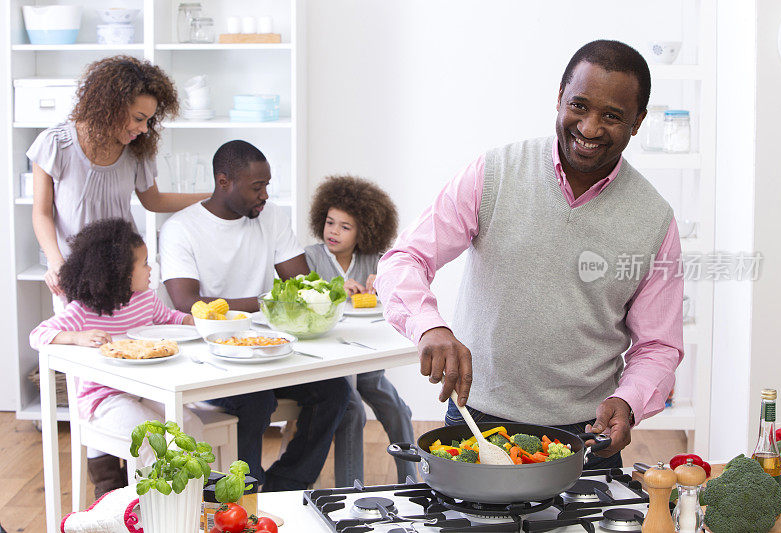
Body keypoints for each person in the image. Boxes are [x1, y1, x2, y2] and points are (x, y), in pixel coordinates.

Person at [375, 40, 684, 468]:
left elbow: (659, 345)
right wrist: (429, 327)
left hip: (589, 436)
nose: (590, 128)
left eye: (612, 116)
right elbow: (405, 258)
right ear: (559, 98)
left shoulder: (655, 219)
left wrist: (628, 402)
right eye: (579, 105)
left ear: (638, 122)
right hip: (475, 422)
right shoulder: (494, 173)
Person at [159, 140, 350, 491]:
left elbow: (301, 283)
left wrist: (331, 294)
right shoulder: (181, 229)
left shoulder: (271, 216)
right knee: (256, 399)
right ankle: (246, 496)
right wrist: (266, 301)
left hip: (266, 349)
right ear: (224, 182)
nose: (265, 195)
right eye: (256, 187)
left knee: (335, 390)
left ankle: (286, 485)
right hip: (210, 358)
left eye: (267, 185)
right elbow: (186, 302)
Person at [29, 218, 202, 498]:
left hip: (143, 389)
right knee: (152, 439)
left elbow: (168, 318)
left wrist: (191, 320)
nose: (150, 269)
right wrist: (76, 337)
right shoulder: (85, 311)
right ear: (121, 273)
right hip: (103, 399)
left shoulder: (145, 299)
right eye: (144, 263)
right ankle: (156, 507)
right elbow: (38, 334)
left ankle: (194, 502)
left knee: (190, 425)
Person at [28, 55, 209, 299]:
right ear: (110, 106)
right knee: (81, 336)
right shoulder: (55, 144)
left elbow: (154, 201)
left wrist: (215, 196)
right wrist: (56, 262)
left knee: (132, 335)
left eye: (149, 120)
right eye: (138, 118)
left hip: (127, 272)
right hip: (74, 273)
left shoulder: (137, 150)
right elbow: (41, 213)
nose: (144, 128)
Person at [305, 175, 415, 486]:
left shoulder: (372, 260)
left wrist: (381, 286)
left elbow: (397, 294)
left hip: (365, 360)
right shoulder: (310, 258)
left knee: (396, 407)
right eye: (330, 223)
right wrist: (332, 287)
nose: (334, 232)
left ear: (363, 230)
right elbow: (303, 295)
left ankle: (413, 480)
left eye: (344, 226)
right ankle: (351, 489)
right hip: (330, 363)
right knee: (352, 410)